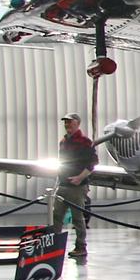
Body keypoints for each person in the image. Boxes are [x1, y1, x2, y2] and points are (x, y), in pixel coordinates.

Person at [52, 111, 97, 261]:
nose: (67, 125)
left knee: (78, 218)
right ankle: (55, 246)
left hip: (77, 187)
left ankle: (80, 247)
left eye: (70, 122)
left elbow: (92, 163)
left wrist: (79, 178)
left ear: (77, 124)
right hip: (63, 185)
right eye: (65, 122)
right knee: (57, 216)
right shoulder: (63, 142)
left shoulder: (85, 142)